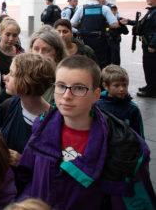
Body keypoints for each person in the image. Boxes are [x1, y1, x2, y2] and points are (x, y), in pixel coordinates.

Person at [16, 55, 156, 208]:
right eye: (61, 86)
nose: (67, 96)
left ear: (96, 95)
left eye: (79, 88)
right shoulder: (43, 127)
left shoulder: (123, 146)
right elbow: (28, 178)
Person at [0, 53, 55, 165]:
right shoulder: (7, 106)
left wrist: (24, 162)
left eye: (12, 74)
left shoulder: (53, 121)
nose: (5, 77)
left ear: (27, 81)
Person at [71, 0, 120, 69]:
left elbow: (72, 24)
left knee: (87, 63)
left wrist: (81, 26)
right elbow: (115, 24)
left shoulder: (82, 8)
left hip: (85, 40)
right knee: (101, 63)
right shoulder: (104, 8)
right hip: (100, 40)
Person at [122, 0, 156, 98]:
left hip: (151, 45)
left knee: (151, 67)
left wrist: (153, 45)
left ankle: (152, 90)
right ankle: (150, 86)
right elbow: (142, 24)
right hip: (147, 43)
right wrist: (128, 21)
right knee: (148, 66)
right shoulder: (152, 11)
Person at [96, 64, 144, 138]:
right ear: (105, 86)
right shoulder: (97, 105)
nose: (121, 89)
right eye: (116, 85)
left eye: (124, 85)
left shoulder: (132, 109)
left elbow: (139, 135)